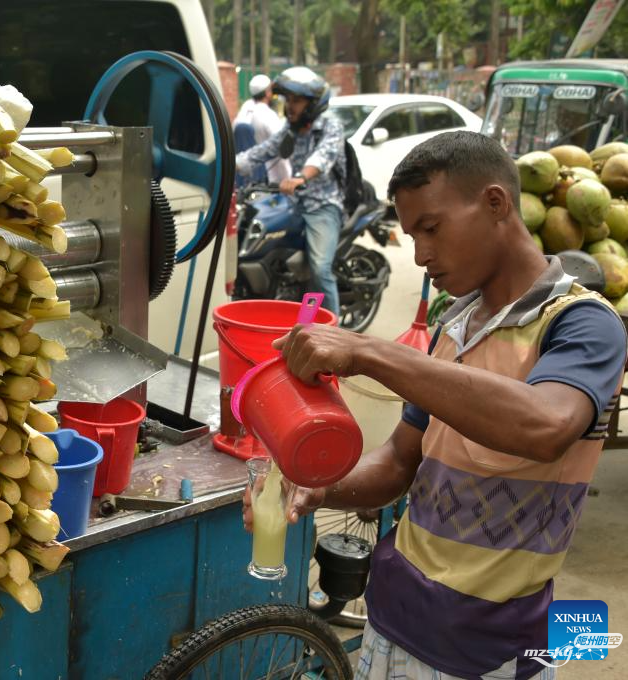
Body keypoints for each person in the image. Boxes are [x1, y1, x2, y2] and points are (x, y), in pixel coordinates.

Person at [245, 131, 627, 680]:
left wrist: (368, 351)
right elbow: (401, 460)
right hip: (394, 618)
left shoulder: (581, 324)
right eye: (411, 235)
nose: (421, 254)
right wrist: (317, 486)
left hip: (488, 651)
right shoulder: (455, 324)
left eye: (431, 228)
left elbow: (546, 425)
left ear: (495, 203)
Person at [236, 66, 345, 316]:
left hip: (323, 206)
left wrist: (300, 177)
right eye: (288, 100)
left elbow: (323, 157)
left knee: (319, 268)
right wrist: (227, 164)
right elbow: (262, 151)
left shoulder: (331, 127)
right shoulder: (290, 130)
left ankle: (335, 331)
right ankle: (293, 309)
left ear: (312, 104)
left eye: (296, 101)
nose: (290, 106)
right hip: (294, 204)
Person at [233, 73, 290, 187]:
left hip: (240, 174)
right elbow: (281, 145)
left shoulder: (245, 109)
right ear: (268, 92)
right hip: (267, 178)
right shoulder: (268, 115)